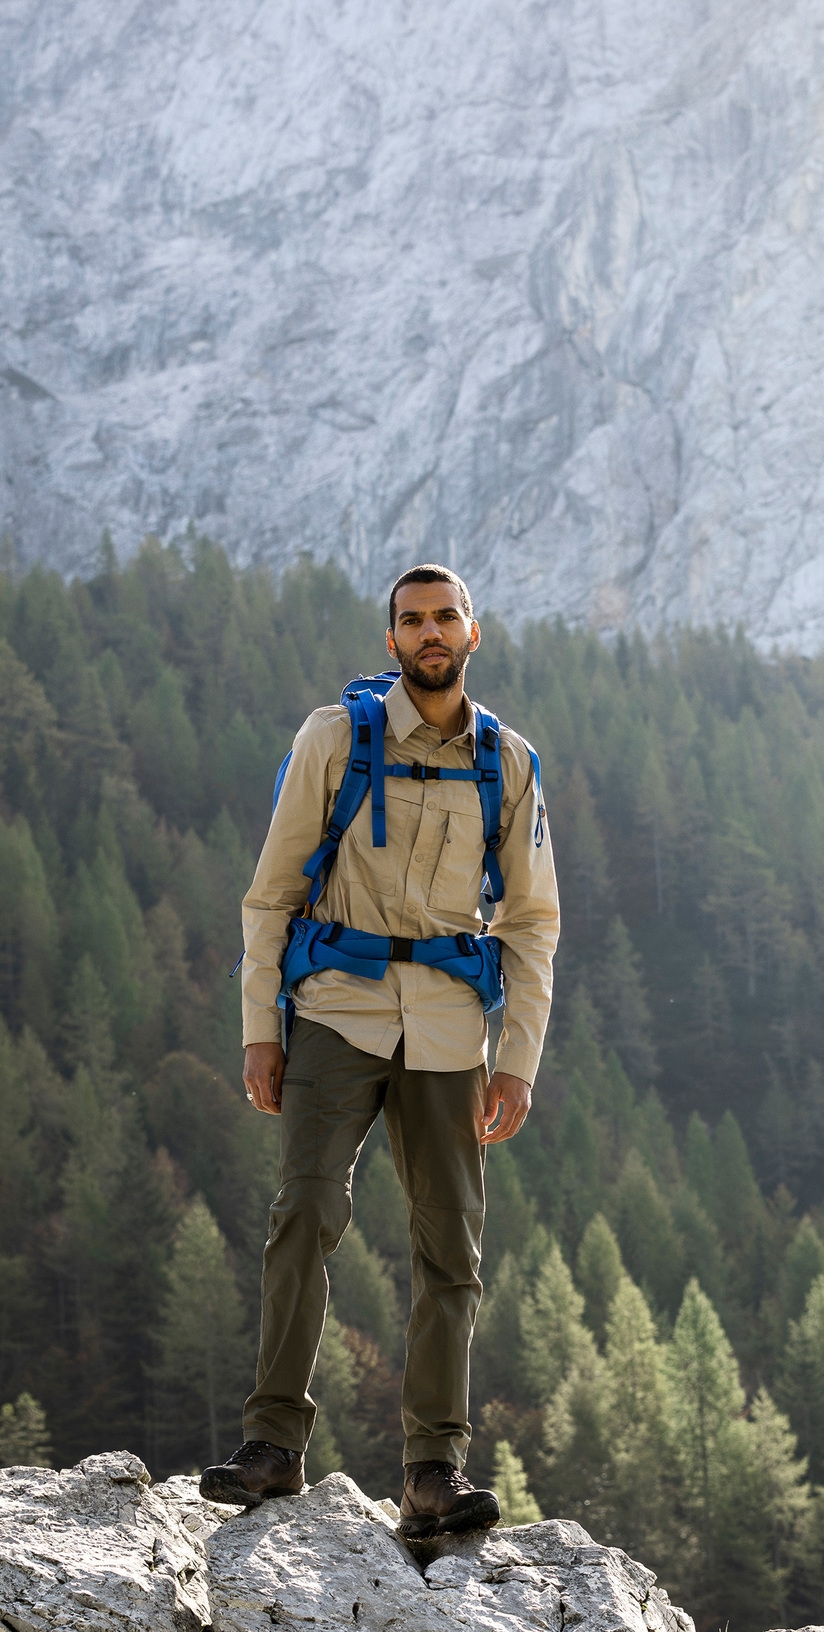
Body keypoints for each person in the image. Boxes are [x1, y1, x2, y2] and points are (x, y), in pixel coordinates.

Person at [201, 564, 559, 1537]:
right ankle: (272, 1446)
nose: (429, 632)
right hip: (334, 1011)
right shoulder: (333, 738)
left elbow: (531, 919)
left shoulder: (506, 761)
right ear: (391, 639)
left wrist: (517, 1055)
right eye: (412, 620)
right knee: (304, 1211)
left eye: (445, 617)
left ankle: (432, 1473)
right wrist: (259, 1031)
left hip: (448, 1029)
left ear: (471, 634)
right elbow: (269, 894)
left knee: (451, 1250)